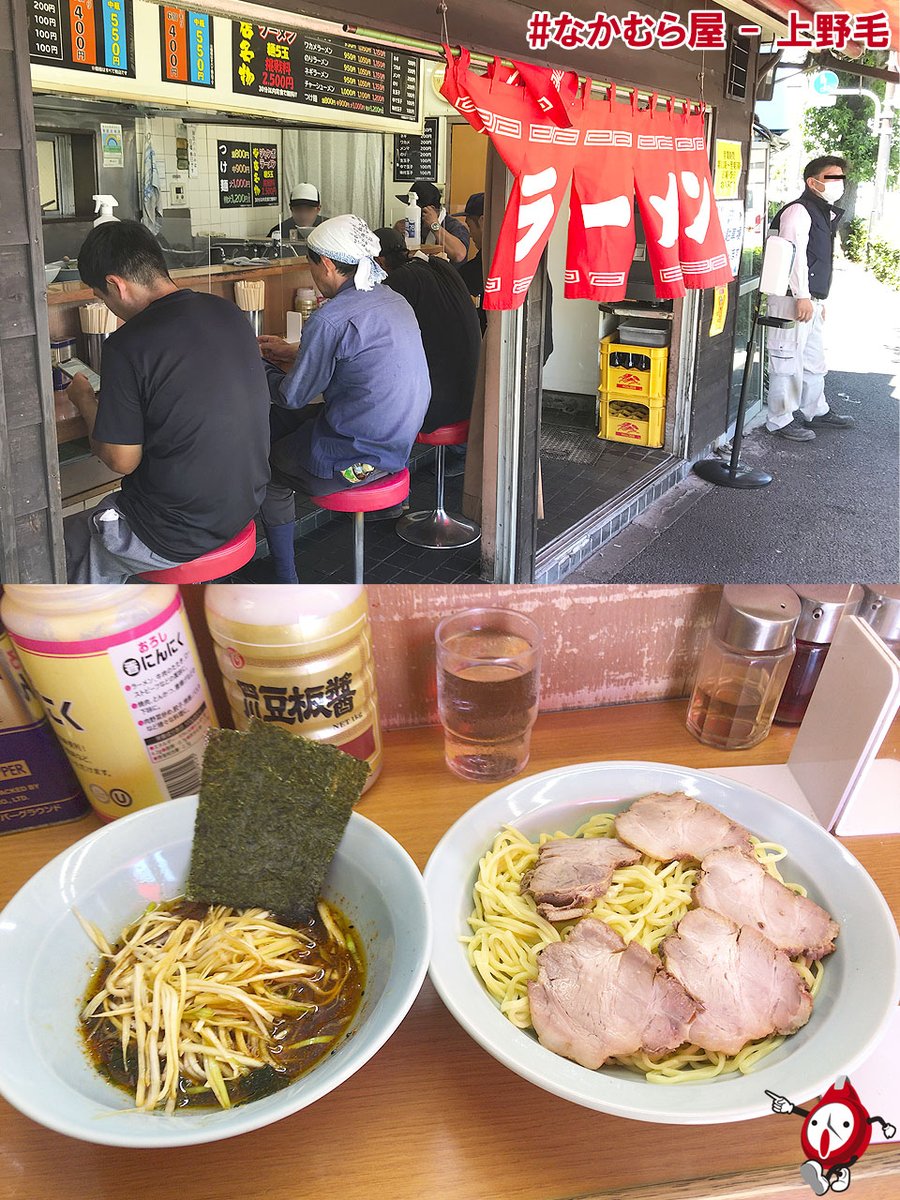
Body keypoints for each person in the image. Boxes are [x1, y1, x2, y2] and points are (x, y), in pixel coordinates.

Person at [63, 221, 271, 583]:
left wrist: (83, 399)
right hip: (244, 506)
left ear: (116, 284)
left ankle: (90, 637)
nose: (109, 307)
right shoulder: (229, 313)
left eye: (102, 298)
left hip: (173, 533)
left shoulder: (127, 345)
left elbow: (120, 460)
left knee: (56, 543)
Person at [256, 214, 431, 583]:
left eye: (312, 265)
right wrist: (296, 354)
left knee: (264, 463)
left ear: (327, 264)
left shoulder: (330, 318)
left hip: (358, 456)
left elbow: (292, 396)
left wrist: (257, 367)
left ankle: (285, 577)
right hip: (400, 443)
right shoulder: (393, 299)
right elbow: (360, 363)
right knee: (282, 425)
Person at [374, 227, 482, 492]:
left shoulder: (397, 283)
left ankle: (390, 492)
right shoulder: (436, 265)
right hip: (474, 395)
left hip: (441, 407)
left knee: (376, 401)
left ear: (378, 262)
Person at [765, 155, 856, 441]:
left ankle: (814, 410)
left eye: (841, 178)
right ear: (812, 181)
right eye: (832, 177)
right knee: (785, 359)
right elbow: (793, 258)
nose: (838, 184)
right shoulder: (798, 211)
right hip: (791, 299)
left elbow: (815, 261)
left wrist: (818, 300)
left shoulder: (822, 213)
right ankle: (780, 420)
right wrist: (803, 295)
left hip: (809, 301)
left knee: (813, 359)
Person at [454, 191, 554, 362]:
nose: (470, 235)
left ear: (483, 221)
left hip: (509, 358)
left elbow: (464, 282)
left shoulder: (492, 260)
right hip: (536, 348)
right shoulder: (522, 252)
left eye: (470, 227)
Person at [394, 181, 469, 265]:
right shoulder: (417, 224)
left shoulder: (454, 227)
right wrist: (396, 234)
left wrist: (434, 225)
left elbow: (459, 255)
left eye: (416, 210)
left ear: (431, 209)